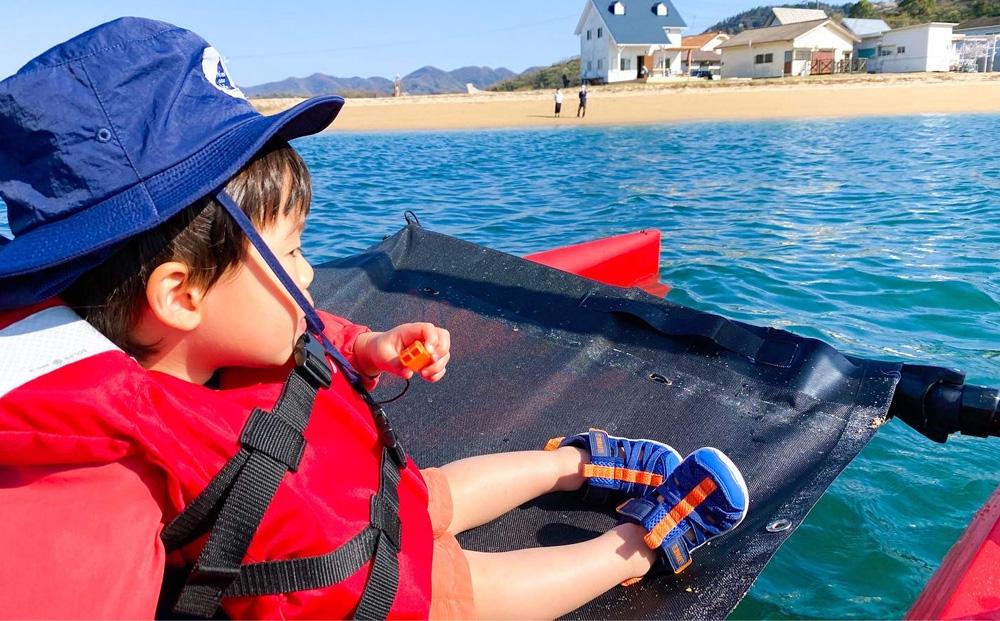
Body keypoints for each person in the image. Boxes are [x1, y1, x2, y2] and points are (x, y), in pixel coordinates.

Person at [0, 18, 749, 620]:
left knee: (429, 496)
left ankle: (577, 460)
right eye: (291, 251)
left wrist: (367, 342)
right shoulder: (90, 483)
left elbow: (301, 325)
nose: (309, 274)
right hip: (362, 578)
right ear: (180, 296)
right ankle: (643, 540)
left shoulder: (191, 331)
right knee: (462, 587)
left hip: (370, 499)